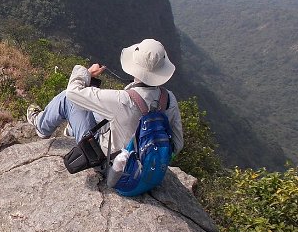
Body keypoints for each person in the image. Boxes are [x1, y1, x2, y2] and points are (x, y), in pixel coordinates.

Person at [26, 38, 184, 162]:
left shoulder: (123, 99)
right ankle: (72, 129)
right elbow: (177, 145)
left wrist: (87, 73)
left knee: (68, 98)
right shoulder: (168, 99)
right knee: (101, 111)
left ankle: (41, 125)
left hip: (108, 165)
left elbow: (73, 93)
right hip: (145, 169)